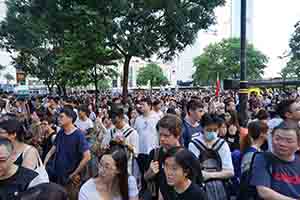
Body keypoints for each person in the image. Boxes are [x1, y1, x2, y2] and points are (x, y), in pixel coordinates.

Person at [44, 108, 91, 200]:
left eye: (61, 117)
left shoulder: (79, 135)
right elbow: (52, 149)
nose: (58, 119)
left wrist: (74, 173)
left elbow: (87, 156)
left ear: (70, 118)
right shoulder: (61, 132)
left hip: (70, 178)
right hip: (58, 174)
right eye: (59, 116)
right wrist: (44, 163)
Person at [189, 113, 234, 200]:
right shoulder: (194, 144)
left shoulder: (222, 145)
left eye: (215, 130)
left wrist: (209, 175)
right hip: (201, 189)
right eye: (209, 130)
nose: (212, 133)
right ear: (202, 128)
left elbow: (230, 172)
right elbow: (192, 171)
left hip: (221, 188)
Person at [250, 125, 300, 200]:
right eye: (277, 139)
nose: (282, 144)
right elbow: (263, 192)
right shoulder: (262, 158)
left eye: (289, 141)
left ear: (298, 144)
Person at [144, 114, 182, 200]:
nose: (162, 139)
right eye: (160, 135)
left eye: (166, 135)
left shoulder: (185, 157)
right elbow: (145, 177)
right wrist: (150, 172)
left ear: (177, 136)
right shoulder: (154, 154)